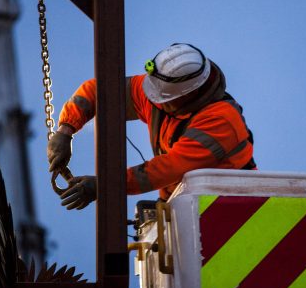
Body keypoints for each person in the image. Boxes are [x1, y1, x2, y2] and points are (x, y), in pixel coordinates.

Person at [47, 43, 256, 210]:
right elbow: (98, 91)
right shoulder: (159, 92)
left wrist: (105, 185)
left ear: (188, 96)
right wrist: (66, 130)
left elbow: (169, 168)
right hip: (184, 207)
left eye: (164, 98)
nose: (155, 101)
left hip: (233, 209)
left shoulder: (221, 120)